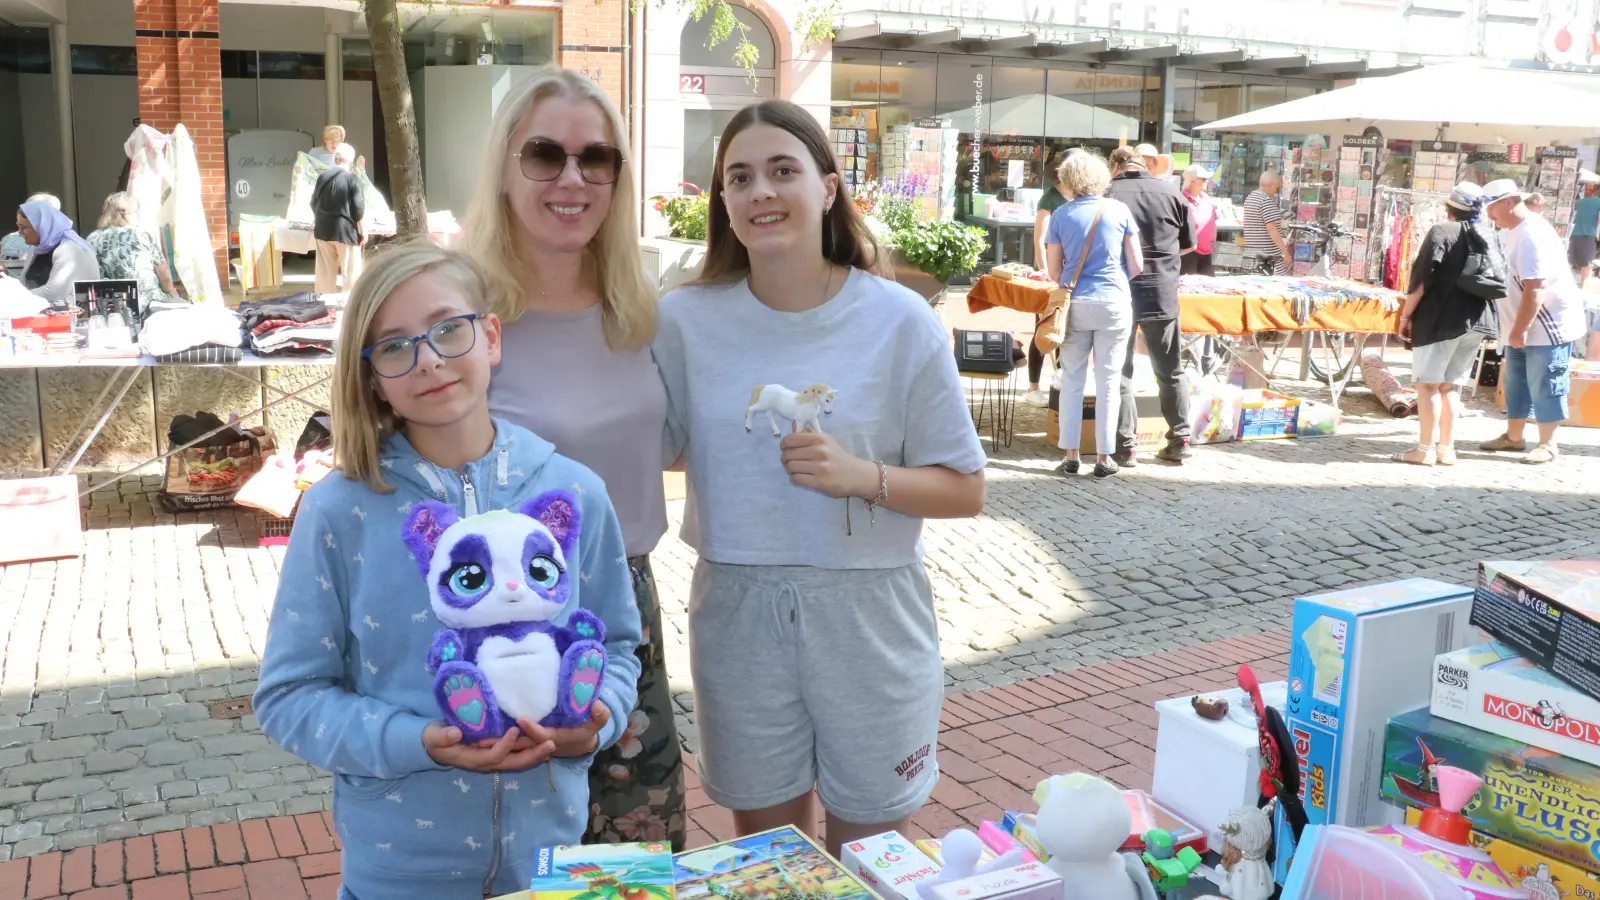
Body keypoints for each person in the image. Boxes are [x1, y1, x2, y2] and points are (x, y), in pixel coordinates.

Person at [254, 241, 643, 899]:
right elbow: (289, 697)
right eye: (395, 346)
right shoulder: (338, 510)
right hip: (398, 873)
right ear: (371, 376)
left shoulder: (574, 492)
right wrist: (417, 742)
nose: (429, 360)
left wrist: (596, 718)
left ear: (490, 336)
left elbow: (619, 648)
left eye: (447, 329)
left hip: (551, 860)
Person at [652, 99, 986, 857]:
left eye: (783, 170)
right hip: (738, 615)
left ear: (829, 187)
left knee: (870, 860)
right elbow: (657, 447)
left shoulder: (901, 320)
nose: (761, 192)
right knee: (773, 864)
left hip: (869, 616)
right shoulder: (683, 322)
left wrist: (862, 476)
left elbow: (966, 489)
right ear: (723, 199)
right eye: (740, 177)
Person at [467, 66, 685, 848]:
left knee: (638, 860)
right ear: (503, 169)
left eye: (596, 158)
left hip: (625, 611)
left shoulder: (644, 309)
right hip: (497, 619)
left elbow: (680, 440)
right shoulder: (463, 312)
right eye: (544, 155)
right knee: (514, 857)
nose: (573, 178)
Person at [1047, 150, 1144, 479]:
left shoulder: (1060, 215)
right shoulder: (1119, 210)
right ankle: (1104, 456)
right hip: (1114, 301)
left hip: (1075, 303)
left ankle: (1071, 454)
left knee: (1072, 379)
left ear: (1067, 179)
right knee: (1109, 381)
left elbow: (1053, 271)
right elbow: (1137, 264)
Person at [1478, 179, 1588, 465]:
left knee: (1546, 380)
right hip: (1521, 322)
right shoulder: (1510, 230)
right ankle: (1514, 436)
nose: (1489, 214)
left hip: (1546, 324)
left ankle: (1548, 443)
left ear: (1508, 202)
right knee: (1515, 379)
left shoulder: (1532, 234)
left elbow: (1536, 288)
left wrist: (1520, 329)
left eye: (1491, 207)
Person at [1393, 183, 1498, 467]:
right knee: (1450, 387)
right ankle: (1447, 449)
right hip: (1477, 319)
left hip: (1441, 319)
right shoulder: (1487, 234)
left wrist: (1405, 317)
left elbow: (1420, 282)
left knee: (1427, 386)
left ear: (1449, 208)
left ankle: (1424, 450)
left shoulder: (1442, 231)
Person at [1106, 145, 1193, 465]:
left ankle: (1125, 446)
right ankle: (1180, 438)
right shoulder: (1171, 192)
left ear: (1114, 166)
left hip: (1120, 289)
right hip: (1162, 290)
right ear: (1142, 164)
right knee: (1170, 370)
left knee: (1120, 370)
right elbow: (1190, 244)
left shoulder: (1108, 193)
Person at [1025, 150, 1072, 407]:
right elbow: (1039, 240)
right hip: (1052, 274)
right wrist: (1045, 272)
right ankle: (1033, 387)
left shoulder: (1080, 196)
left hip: (1071, 274)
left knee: (1067, 330)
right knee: (1043, 329)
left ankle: (1062, 382)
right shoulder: (1050, 198)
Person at [86, 192, 181, 305]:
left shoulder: (92, 238)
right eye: (136, 211)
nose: (138, 215)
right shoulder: (141, 234)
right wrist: (173, 294)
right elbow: (164, 276)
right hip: (151, 301)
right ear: (125, 214)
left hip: (112, 304)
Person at [1, 200, 100, 307]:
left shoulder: (69, 249)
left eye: (23, 227)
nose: (20, 232)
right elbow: (24, 284)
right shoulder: (39, 248)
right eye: (18, 226)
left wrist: (12, 298)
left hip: (73, 312)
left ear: (40, 226)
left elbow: (54, 293)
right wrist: (5, 274)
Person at [310, 145, 365, 294]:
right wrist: (363, 230)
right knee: (350, 273)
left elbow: (313, 203)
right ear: (351, 162)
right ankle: (350, 302)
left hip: (322, 230)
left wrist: (322, 217)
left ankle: (323, 302)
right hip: (345, 231)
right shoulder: (353, 179)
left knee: (324, 274)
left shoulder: (322, 177)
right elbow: (358, 208)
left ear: (335, 159)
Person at [1243, 171, 1290, 275]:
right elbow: (1272, 229)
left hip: (1251, 255)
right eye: (1277, 188)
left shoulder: (1250, 198)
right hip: (1268, 259)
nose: (1276, 192)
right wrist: (1285, 251)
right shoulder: (1266, 201)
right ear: (1270, 185)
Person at [1181, 166, 1218, 276]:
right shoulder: (1181, 199)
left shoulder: (1206, 198)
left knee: (1209, 283)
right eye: (1203, 179)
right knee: (1187, 284)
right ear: (1192, 181)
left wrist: (1213, 242)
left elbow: (1213, 222)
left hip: (1207, 252)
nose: (1207, 181)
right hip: (1188, 252)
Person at [1569, 184, 1600, 282]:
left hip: (1572, 234)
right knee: (1587, 265)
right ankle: (1584, 287)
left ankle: (1565, 286)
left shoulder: (1580, 202)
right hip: (1588, 235)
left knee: (1569, 263)